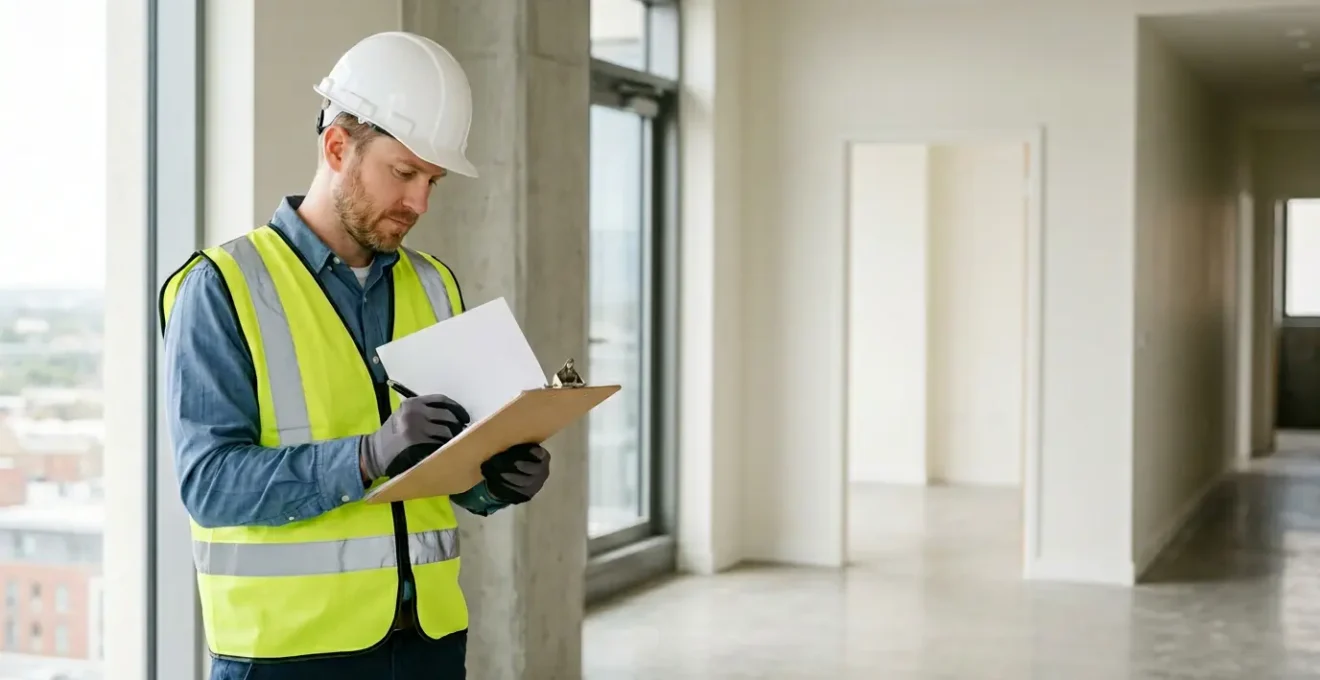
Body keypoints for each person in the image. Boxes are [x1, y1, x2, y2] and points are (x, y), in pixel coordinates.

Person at [159, 31, 551, 679]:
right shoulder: (222, 286)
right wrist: (365, 456)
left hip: (426, 642)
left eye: (432, 180)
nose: (420, 203)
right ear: (337, 146)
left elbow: (441, 469)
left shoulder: (433, 284)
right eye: (403, 173)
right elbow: (210, 485)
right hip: (287, 654)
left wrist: (494, 481)